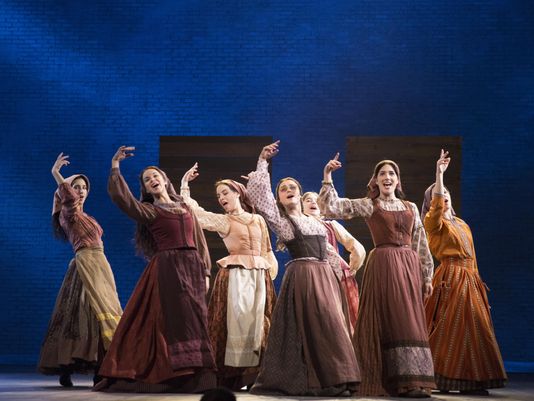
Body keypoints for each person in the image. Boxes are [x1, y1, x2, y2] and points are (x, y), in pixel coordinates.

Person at [95, 146, 216, 393]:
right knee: (177, 318)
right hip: (168, 268)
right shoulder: (151, 211)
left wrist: (205, 271)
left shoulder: (185, 207)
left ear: (164, 180)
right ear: (147, 189)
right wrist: (115, 166)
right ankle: (176, 374)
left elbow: (200, 240)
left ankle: (197, 375)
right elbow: (124, 201)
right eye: (147, 180)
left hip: (193, 266)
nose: (152, 180)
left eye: (155, 176)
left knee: (195, 319)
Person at [247, 141, 360, 397]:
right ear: (278, 198)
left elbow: (328, 251)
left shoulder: (316, 222)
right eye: (283, 189)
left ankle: (341, 378)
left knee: (332, 325)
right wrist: (263, 160)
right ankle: (321, 382)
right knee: (313, 328)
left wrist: (344, 272)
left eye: (293, 187)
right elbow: (261, 198)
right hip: (303, 277)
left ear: (300, 194)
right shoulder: (282, 221)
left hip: (325, 278)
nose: (288, 190)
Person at [318, 153, 435, 398]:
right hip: (384, 265)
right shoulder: (370, 204)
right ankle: (388, 379)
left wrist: (427, 275)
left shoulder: (411, 207)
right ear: (376, 180)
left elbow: (420, 242)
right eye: (382, 174)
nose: (387, 177)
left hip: (409, 266)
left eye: (391, 173)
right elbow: (332, 207)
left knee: (410, 319)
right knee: (390, 318)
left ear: (398, 180)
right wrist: (327, 176)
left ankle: (412, 380)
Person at [180, 163, 278, 390]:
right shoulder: (224, 221)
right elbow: (196, 214)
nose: (221, 198)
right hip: (236, 277)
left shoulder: (258, 220)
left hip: (260, 277)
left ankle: (257, 376)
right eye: (218, 196)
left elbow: (267, 249)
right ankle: (234, 375)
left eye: (225, 193)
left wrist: (269, 273)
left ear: (238, 193)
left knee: (260, 324)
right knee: (237, 323)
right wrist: (185, 185)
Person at [422, 150, 507, 395]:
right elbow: (436, 207)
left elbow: (473, 258)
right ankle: (444, 378)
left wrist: (477, 281)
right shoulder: (433, 223)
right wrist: (439, 175)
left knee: (477, 328)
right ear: (432, 202)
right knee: (452, 328)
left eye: (446, 194)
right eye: (439, 196)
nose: (444, 197)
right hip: (452, 278)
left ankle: (474, 380)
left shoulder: (462, 224)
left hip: (470, 279)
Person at [39, 153, 123, 387]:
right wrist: (56, 173)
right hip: (85, 264)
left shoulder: (86, 216)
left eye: (84, 187)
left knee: (102, 312)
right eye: (76, 187)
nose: (81, 191)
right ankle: (67, 367)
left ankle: (101, 367)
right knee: (82, 312)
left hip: (100, 265)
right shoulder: (70, 213)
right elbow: (68, 199)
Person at [302, 191, 365, 335]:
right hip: (312, 274)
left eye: (316, 200)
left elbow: (355, 246)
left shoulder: (330, 225)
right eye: (308, 200)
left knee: (341, 317)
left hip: (336, 274)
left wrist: (353, 267)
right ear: (301, 206)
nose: (313, 202)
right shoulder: (298, 225)